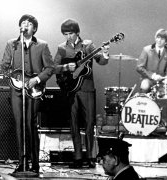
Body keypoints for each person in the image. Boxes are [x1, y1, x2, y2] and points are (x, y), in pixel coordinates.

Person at [0, 14, 54, 175]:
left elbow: (50, 68)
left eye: (28, 23)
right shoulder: (12, 44)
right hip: (16, 91)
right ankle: (22, 162)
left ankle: (35, 164)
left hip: (34, 91)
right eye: (22, 23)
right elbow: (4, 66)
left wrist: (37, 79)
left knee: (31, 125)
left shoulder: (42, 45)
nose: (24, 25)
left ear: (34, 28)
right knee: (19, 126)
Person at [53, 18, 110, 168]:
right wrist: (65, 67)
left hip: (87, 88)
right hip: (70, 90)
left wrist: (105, 54)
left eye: (70, 33)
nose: (68, 37)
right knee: (73, 124)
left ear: (77, 32)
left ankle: (91, 157)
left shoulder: (88, 45)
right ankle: (77, 156)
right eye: (65, 34)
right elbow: (53, 67)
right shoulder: (61, 47)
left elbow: (101, 61)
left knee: (90, 123)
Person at [136, 28, 167, 93]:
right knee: (145, 85)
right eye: (158, 37)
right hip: (148, 79)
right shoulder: (146, 50)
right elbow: (139, 67)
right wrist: (152, 75)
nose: (159, 40)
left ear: (166, 42)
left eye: (162, 39)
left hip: (161, 81)